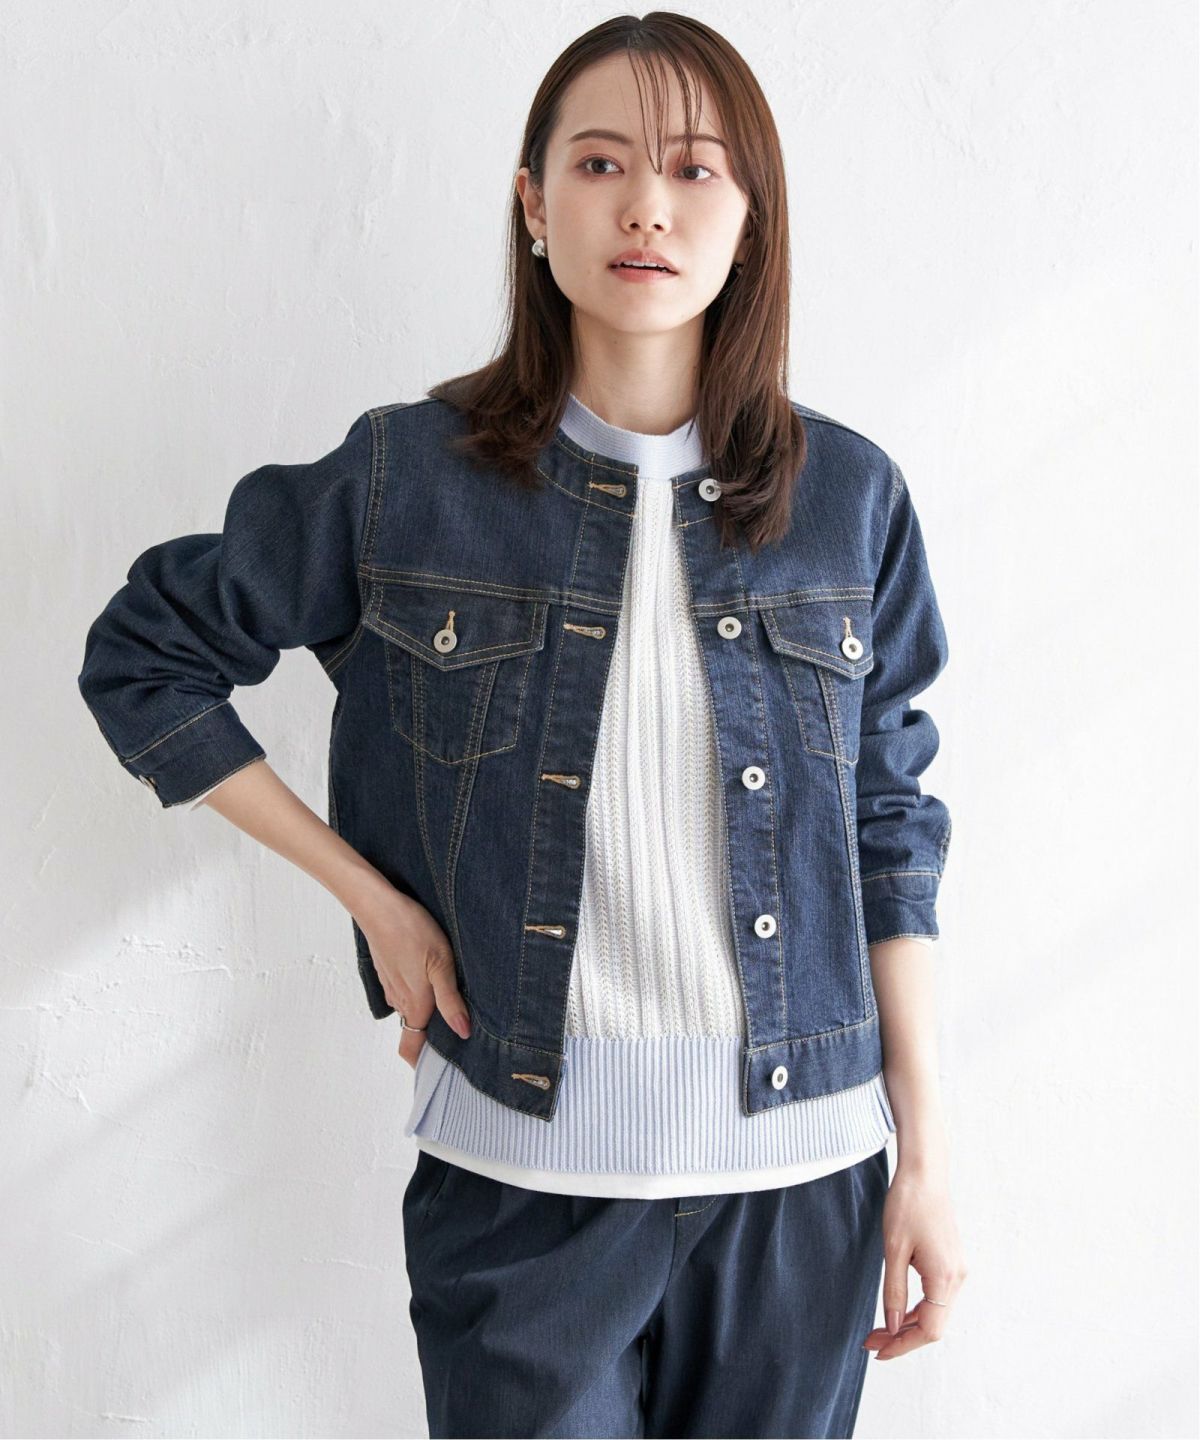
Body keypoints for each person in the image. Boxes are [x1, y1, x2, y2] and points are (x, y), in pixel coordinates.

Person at [78, 12, 967, 1437]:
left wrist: (924, 1153)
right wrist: (374, 902)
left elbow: (889, 825)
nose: (646, 207)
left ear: (752, 220)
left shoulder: (847, 499)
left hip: (802, 1193)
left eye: (694, 170)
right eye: (600, 163)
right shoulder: (407, 481)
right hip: (519, 1190)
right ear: (534, 204)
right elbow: (147, 656)